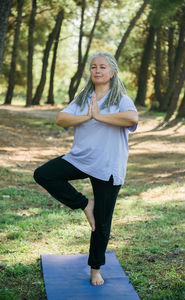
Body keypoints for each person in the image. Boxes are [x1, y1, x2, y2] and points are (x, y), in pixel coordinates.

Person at [33, 51, 138, 286]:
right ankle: (84, 204)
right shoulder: (82, 98)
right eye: (93, 67)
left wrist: (99, 116)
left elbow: (131, 118)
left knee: (101, 222)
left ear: (112, 72)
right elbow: (61, 119)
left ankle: (95, 269)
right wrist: (87, 116)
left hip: (108, 165)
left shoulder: (120, 97)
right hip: (81, 158)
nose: (97, 70)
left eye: (102, 67)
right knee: (44, 174)